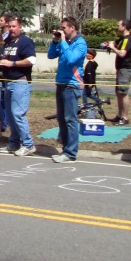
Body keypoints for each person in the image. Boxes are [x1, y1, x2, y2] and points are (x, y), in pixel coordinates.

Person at [48, 16, 87, 163]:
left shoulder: (80, 43)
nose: (62, 30)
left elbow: (72, 59)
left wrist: (63, 42)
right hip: (61, 83)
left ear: (72, 28)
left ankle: (71, 152)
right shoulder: (65, 42)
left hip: (72, 85)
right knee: (62, 119)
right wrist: (55, 41)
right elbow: (51, 55)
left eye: (64, 28)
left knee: (70, 119)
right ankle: (65, 149)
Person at [0, 16, 37, 156]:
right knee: (11, 115)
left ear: (20, 27)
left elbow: (32, 60)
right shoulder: (8, 42)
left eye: (14, 26)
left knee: (18, 114)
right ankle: (13, 143)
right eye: (10, 26)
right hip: (8, 82)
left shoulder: (25, 42)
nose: (12, 29)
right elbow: (6, 57)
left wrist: (12, 64)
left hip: (20, 82)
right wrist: (1, 60)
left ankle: (28, 144)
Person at [107, 19, 131, 126]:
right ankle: (119, 115)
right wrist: (109, 45)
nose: (117, 26)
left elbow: (122, 53)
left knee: (123, 93)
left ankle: (125, 117)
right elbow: (115, 44)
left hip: (125, 69)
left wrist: (113, 48)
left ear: (124, 27)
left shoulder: (128, 39)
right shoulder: (122, 39)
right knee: (118, 92)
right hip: (120, 69)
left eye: (119, 25)